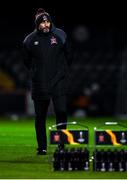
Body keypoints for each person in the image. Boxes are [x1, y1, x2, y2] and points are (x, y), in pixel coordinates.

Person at [23, 8, 73, 155]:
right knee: (40, 116)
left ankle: (61, 145)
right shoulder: (29, 40)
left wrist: (62, 72)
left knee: (61, 111)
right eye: (42, 23)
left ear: (50, 22)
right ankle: (42, 147)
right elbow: (26, 61)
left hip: (59, 81)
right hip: (40, 83)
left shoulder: (60, 35)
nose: (45, 25)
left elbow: (69, 55)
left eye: (47, 22)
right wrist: (36, 74)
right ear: (37, 24)